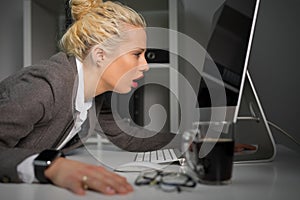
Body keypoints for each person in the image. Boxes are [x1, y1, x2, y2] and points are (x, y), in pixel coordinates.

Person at [0, 0, 179, 195]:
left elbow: (125, 135)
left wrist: (186, 141)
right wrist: (52, 166)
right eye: (137, 54)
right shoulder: (44, 86)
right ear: (100, 55)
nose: (145, 65)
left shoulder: (97, 93)